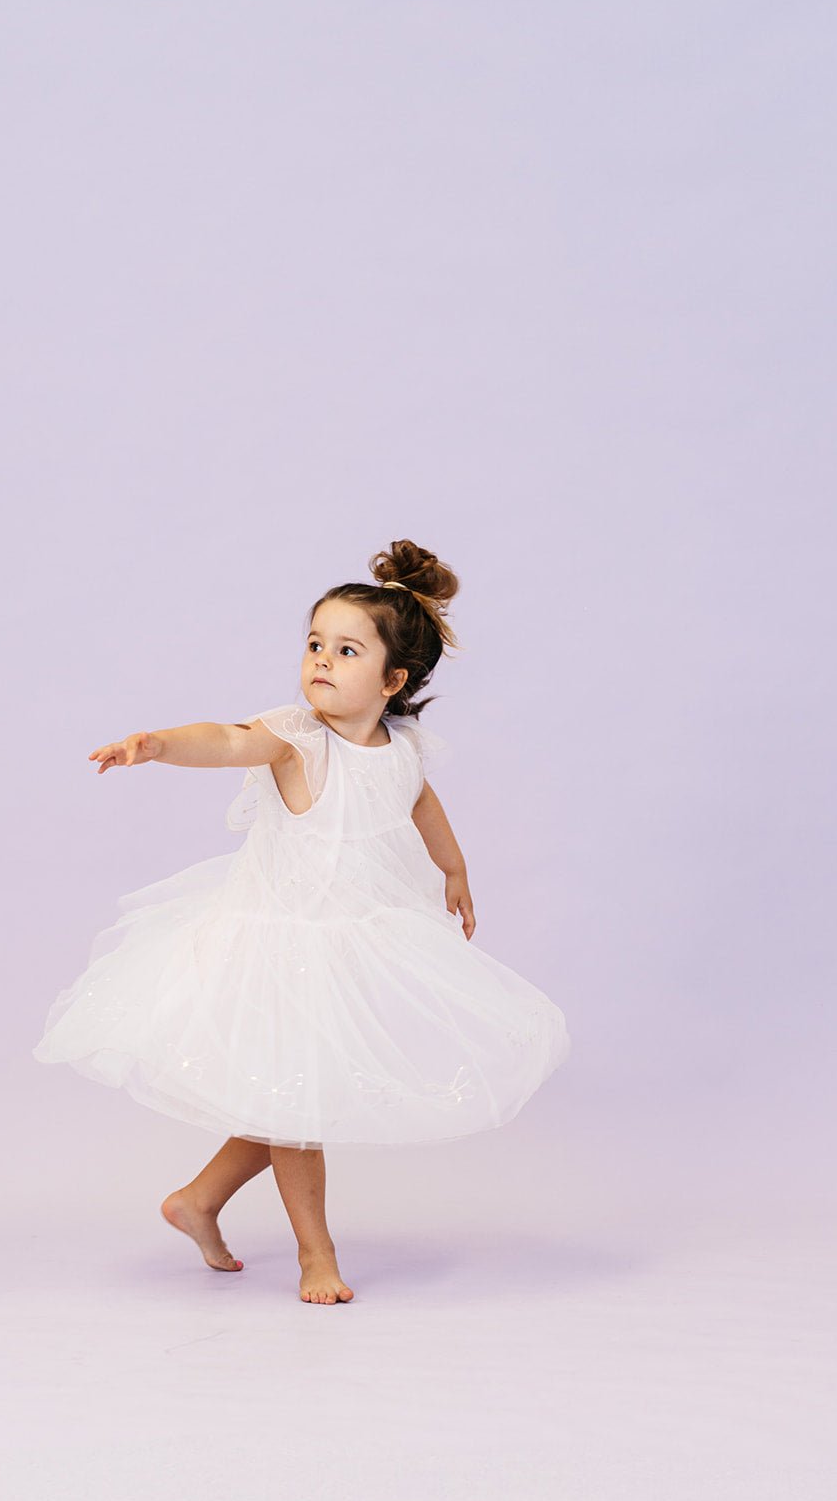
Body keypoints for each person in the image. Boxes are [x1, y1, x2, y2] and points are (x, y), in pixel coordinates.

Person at [33, 540, 571, 1304]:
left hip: (348, 945)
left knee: (293, 1092)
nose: (320, 659)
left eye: (345, 650)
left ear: (392, 679)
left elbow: (421, 805)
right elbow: (225, 738)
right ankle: (315, 1255)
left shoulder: (399, 750)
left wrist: (454, 870)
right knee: (298, 1106)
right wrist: (155, 745)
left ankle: (198, 1201)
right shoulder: (297, 738)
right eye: (314, 643)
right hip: (275, 946)